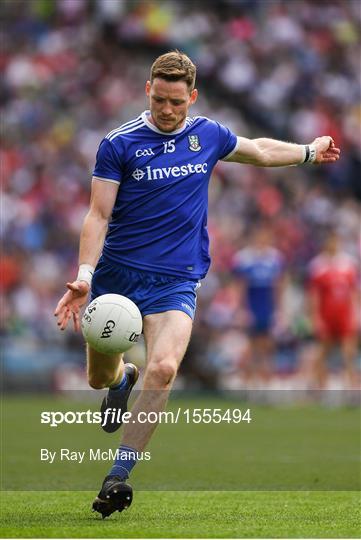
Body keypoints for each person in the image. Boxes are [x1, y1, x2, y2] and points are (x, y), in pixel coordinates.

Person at [54, 50, 340, 518]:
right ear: (148, 90)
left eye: (178, 103)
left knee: (164, 368)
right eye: (161, 100)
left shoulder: (207, 134)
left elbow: (259, 150)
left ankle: (117, 476)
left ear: (193, 97)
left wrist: (308, 151)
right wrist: (85, 277)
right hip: (116, 280)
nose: (168, 111)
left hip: (176, 281)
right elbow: (98, 214)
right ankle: (123, 377)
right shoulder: (118, 143)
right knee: (98, 377)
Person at [232, 224, 285, 385]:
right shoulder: (245, 258)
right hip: (252, 304)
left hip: (266, 305)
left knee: (267, 345)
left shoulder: (275, 258)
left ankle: (266, 381)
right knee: (251, 345)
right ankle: (248, 381)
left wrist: (279, 309)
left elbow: (278, 286)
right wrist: (241, 309)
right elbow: (240, 286)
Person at [307, 230, 359, 389]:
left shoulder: (348, 264)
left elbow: (354, 292)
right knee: (323, 353)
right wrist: (315, 317)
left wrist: (356, 313)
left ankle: (352, 390)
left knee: (349, 353)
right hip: (326, 315)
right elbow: (313, 295)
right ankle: (320, 388)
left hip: (345, 315)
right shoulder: (318, 265)